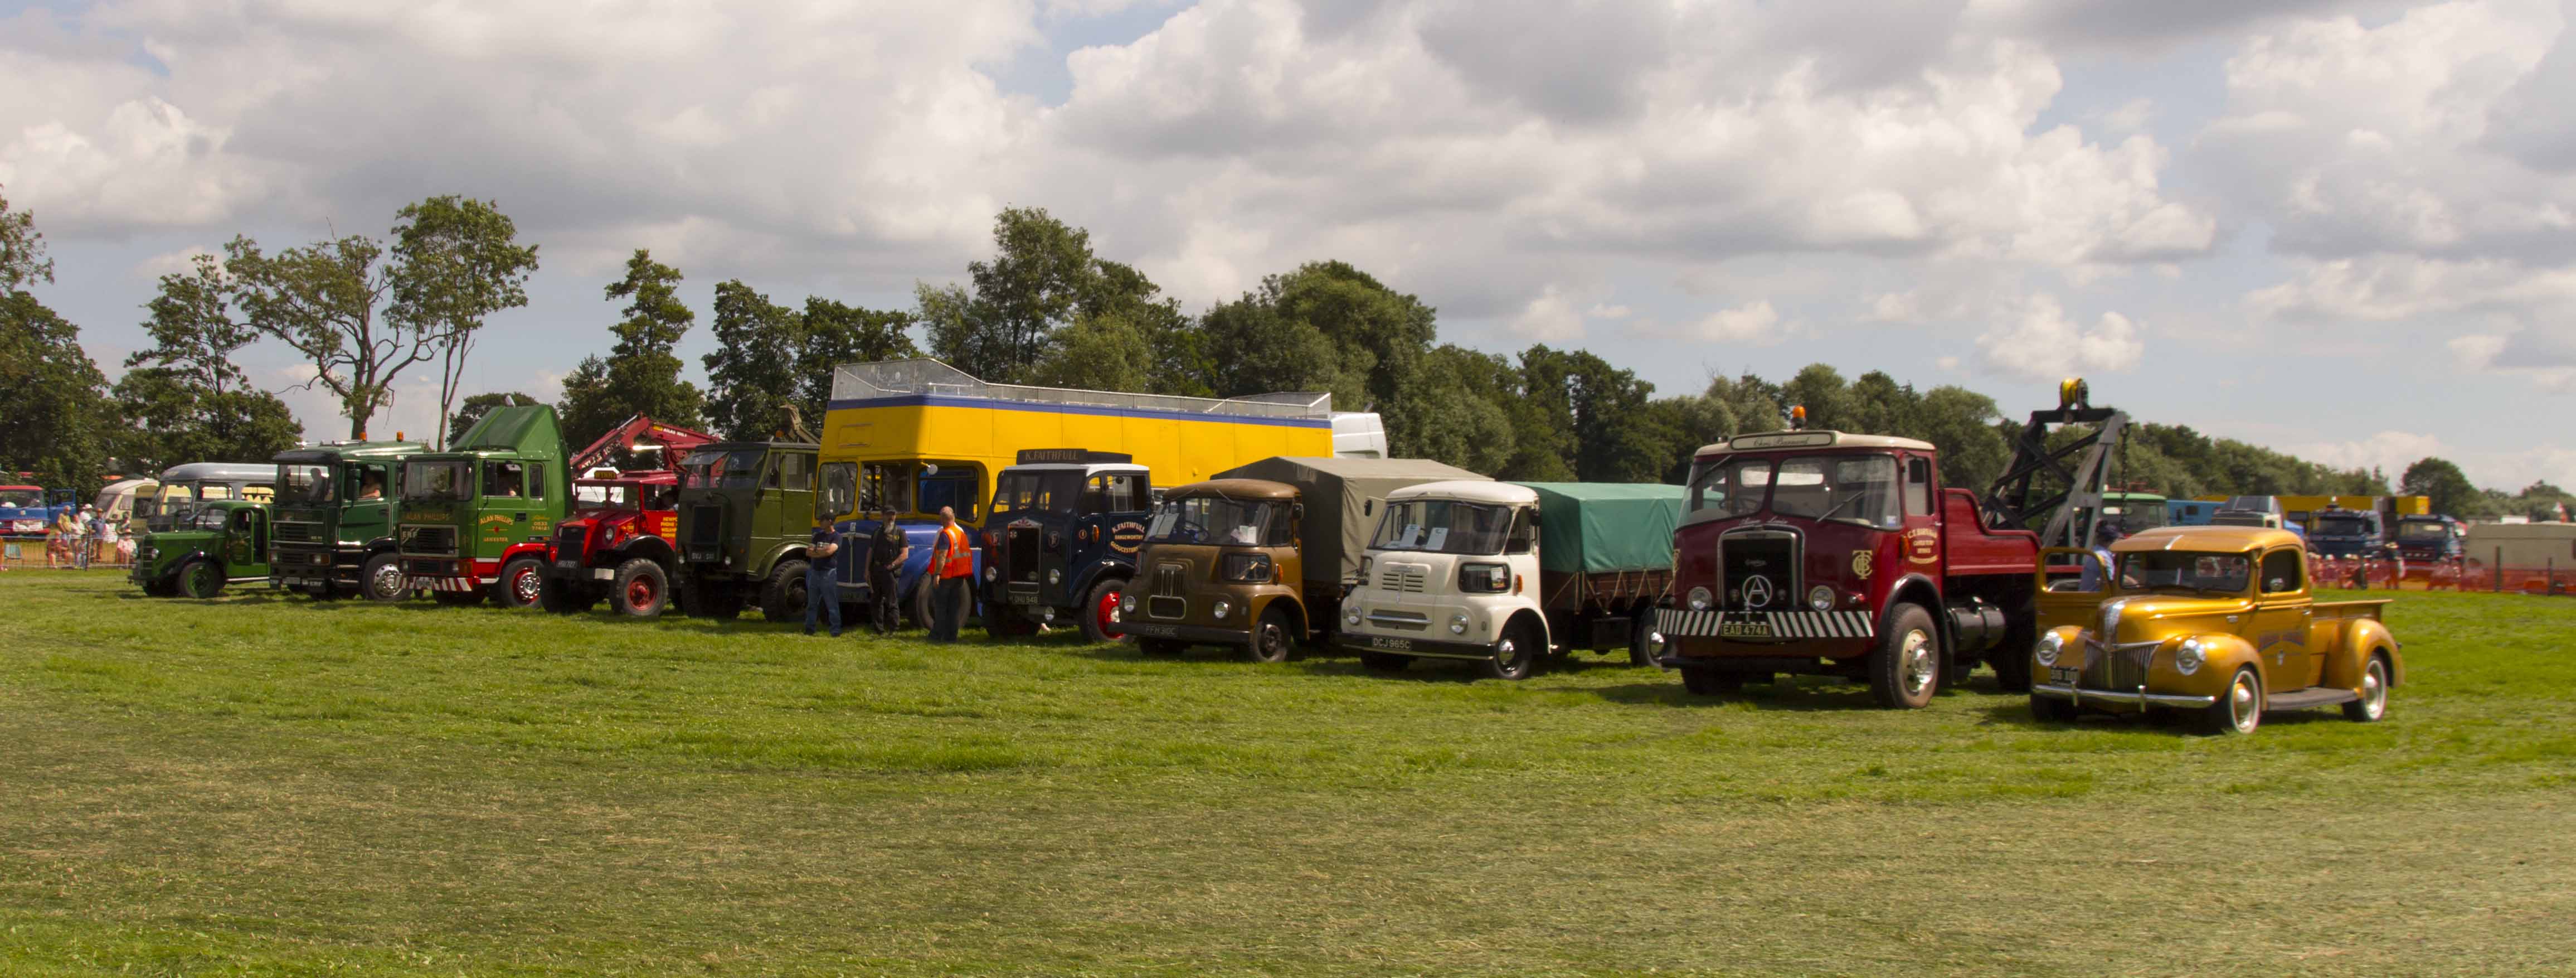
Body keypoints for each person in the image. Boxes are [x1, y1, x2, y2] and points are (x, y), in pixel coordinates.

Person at [927, 505, 973, 643]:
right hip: (959, 576)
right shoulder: (961, 533)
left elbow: (942, 556)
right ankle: (951, 637)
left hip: (946, 576)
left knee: (941, 607)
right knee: (953, 608)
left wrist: (937, 575)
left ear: (943, 519)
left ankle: (936, 635)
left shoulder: (945, 534)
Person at [869, 509, 910, 635]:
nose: (891, 517)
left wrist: (892, 565)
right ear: (883, 516)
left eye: (893, 515)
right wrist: (866, 570)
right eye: (888, 515)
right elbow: (870, 552)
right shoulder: (877, 532)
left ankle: (894, 629)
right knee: (876, 601)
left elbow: (905, 554)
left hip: (890, 571)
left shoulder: (900, 533)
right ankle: (878, 629)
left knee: (892, 601)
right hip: (876, 569)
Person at [804, 514, 842, 637]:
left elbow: (830, 551)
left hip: (829, 573)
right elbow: (808, 552)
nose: (820, 522)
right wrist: (820, 553)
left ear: (830, 521)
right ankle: (809, 629)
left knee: (831, 604)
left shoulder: (837, 537)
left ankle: (835, 631)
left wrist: (817, 552)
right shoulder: (818, 536)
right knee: (812, 603)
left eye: (822, 520)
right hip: (815, 572)